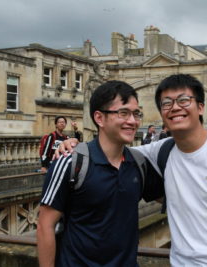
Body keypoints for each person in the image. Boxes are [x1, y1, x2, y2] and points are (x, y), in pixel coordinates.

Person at [59, 74, 207, 266]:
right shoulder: (160, 151)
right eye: (166, 103)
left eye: (184, 100)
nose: (175, 107)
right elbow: (111, 149)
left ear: (201, 107)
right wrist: (73, 144)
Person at [37, 80, 164, 267]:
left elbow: (174, 201)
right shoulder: (71, 163)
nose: (133, 121)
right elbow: (44, 226)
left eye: (136, 114)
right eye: (123, 113)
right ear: (99, 118)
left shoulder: (138, 164)